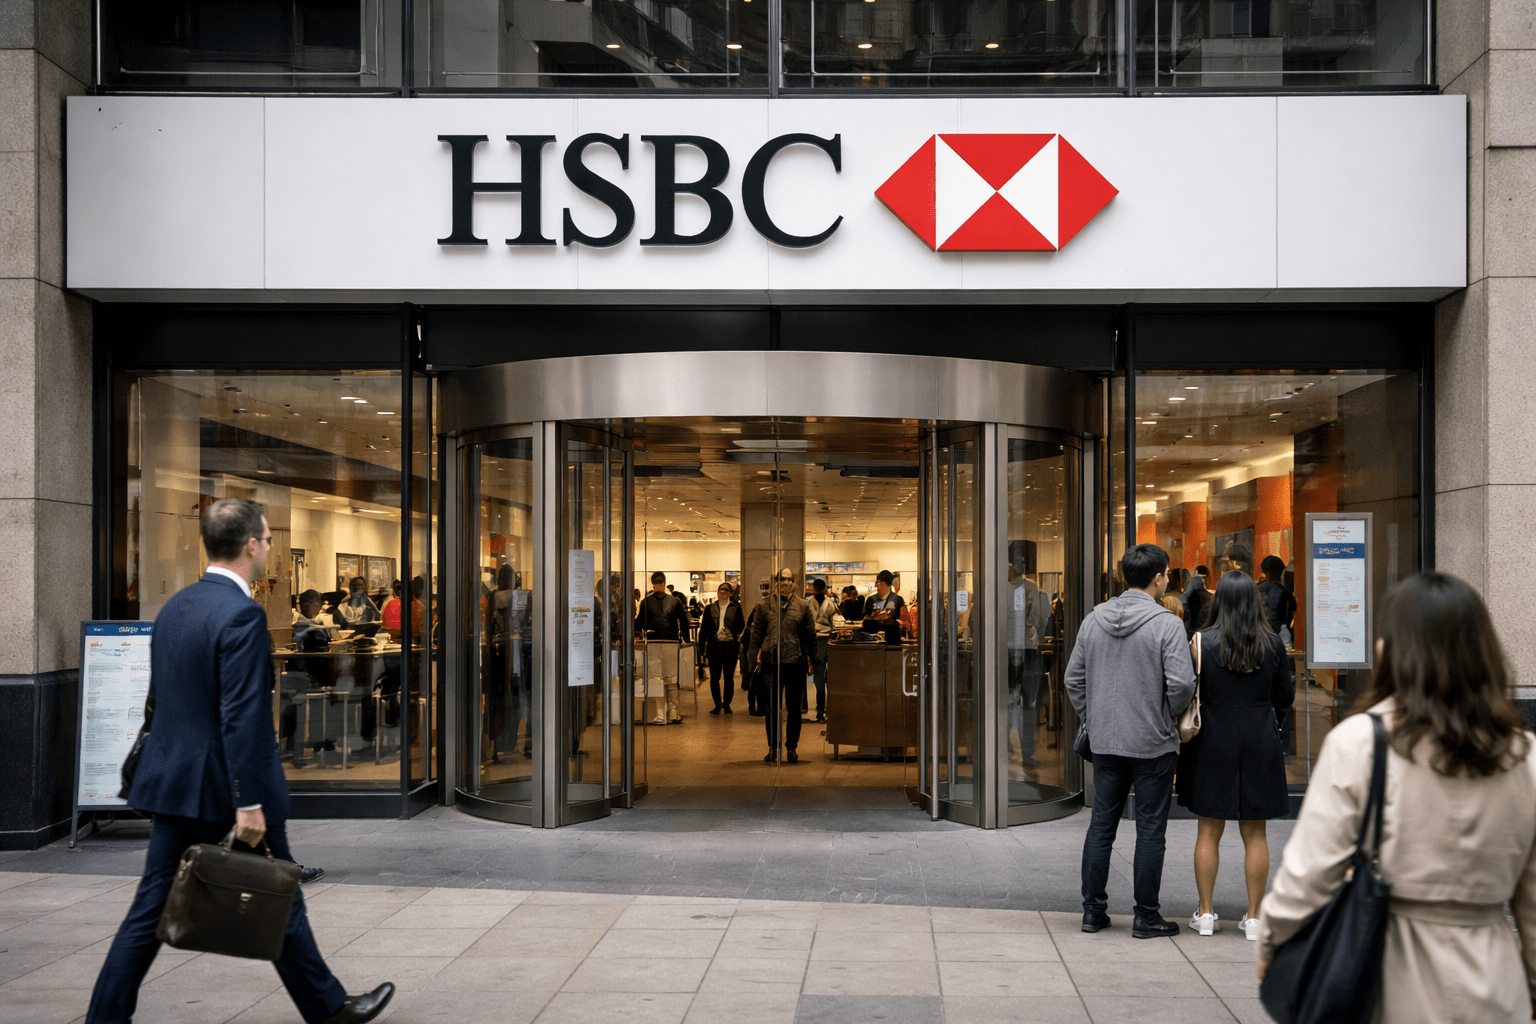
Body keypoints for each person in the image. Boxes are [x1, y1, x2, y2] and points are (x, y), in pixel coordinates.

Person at [86, 498, 392, 1024]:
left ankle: (104, 1017)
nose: (270, 548)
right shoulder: (242, 615)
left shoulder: (176, 607)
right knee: (279, 891)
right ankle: (329, 1008)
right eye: (268, 540)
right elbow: (242, 717)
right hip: (225, 786)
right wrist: (248, 801)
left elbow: (160, 700)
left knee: (151, 906)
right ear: (251, 545)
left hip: (175, 780)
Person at [1258, 572, 1536, 1023]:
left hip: (1390, 973)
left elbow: (1309, 873)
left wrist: (1273, 940)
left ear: (1388, 651)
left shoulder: (1360, 743)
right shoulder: (1525, 756)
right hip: (1495, 978)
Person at [1065, 543, 1197, 939]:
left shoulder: (1093, 620)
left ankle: (1092, 912)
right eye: (1167, 574)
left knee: (1101, 826)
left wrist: (1094, 718)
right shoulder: (1167, 625)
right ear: (1159, 578)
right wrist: (1167, 718)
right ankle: (1146, 916)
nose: (1168, 579)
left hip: (1105, 742)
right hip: (1154, 743)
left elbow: (1073, 679)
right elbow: (1182, 684)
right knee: (1151, 829)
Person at [1176, 571, 1294, 939]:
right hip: (1260, 736)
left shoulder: (1202, 642)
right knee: (1256, 832)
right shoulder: (1273, 644)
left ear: (1220, 602)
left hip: (1212, 738)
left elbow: (1187, 691)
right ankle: (1254, 917)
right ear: (1255, 602)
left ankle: (1206, 913)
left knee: (1208, 830)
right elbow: (1285, 697)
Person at [746, 569, 817, 764]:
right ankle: (773, 747)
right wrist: (751, 658)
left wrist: (814, 658)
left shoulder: (803, 605)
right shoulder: (763, 605)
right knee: (771, 709)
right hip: (771, 663)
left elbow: (810, 635)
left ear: (794, 583)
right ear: (775, 582)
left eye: (789, 579)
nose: (785, 583)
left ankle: (791, 747)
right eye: (781, 579)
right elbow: (756, 634)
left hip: (795, 663)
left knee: (794, 709)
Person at [1006, 541, 1052, 776]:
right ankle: (1027, 754)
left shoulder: (1001, 589)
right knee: (1028, 703)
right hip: (1027, 650)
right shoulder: (1032, 589)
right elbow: (1038, 619)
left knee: (1007, 701)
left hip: (1006, 650)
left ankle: (1004, 747)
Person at [636, 571, 690, 724]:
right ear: (664, 584)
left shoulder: (645, 602)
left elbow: (639, 623)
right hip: (671, 642)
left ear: (653, 584)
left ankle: (660, 713)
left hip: (653, 643)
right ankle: (674, 711)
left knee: (655, 678)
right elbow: (684, 622)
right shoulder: (675, 601)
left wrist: (638, 634)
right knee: (671, 678)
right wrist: (686, 640)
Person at [698, 583, 745, 715]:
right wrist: (701, 648)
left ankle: (727, 704)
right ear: (718, 592)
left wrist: (741, 642)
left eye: (726, 591)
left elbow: (741, 628)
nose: (723, 593)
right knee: (714, 678)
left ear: (730, 593)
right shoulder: (710, 608)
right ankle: (717, 704)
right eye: (721, 590)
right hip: (714, 647)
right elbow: (704, 629)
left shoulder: (736, 608)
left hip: (730, 648)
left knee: (729, 678)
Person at [807, 578, 837, 722]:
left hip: (823, 639)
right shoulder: (813, 603)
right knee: (820, 673)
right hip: (819, 640)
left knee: (823, 674)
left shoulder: (827, 603)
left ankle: (824, 708)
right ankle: (822, 708)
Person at [1256, 555, 1297, 647]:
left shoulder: (1256, 588)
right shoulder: (1279, 590)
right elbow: (1276, 618)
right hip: (1279, 638)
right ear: (1279, 570)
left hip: (1260, 637)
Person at [864, 570, 905, 640]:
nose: (879, 586)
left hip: (892, 636)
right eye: (878, 584)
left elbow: (902, 621)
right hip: (873, 637)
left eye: (882, 584)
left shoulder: (898, 599)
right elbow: (865, 618)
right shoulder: (871, 599)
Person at [1180, 565, 1212, 638]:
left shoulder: (1183, 597)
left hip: (1188, 633)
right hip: (1205, 634)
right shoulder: (1211, 597)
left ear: (1196, 572)